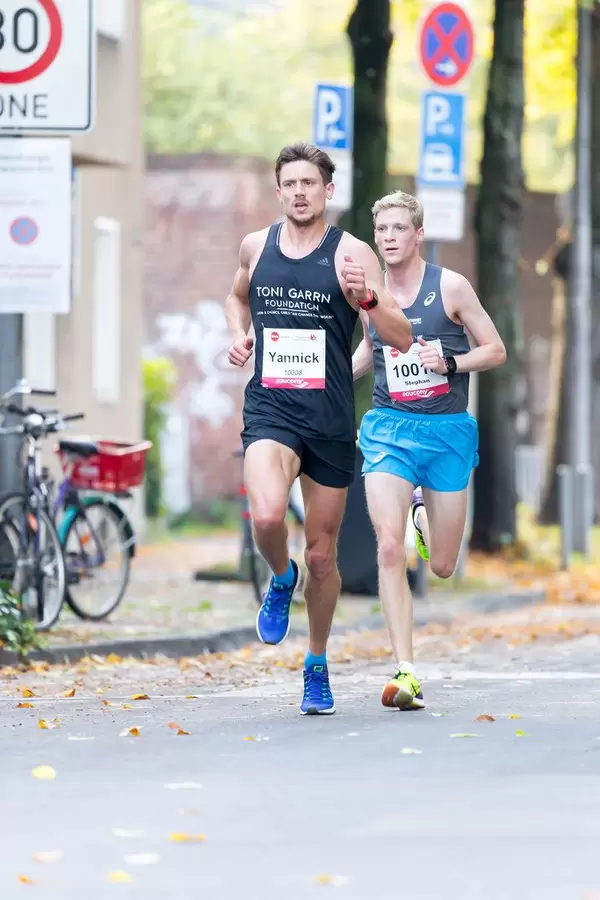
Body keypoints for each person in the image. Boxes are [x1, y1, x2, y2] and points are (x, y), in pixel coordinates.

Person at [226, 142, 413, 716]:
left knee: (323, 556)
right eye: (291, 183)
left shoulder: (352, 252)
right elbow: (236, 297)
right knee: (266, 516)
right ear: (279, 190)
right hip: (271, 408)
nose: (300, 192)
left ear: (328, 191)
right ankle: (281, 577)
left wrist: (368, 297)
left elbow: (400, 336)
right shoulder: (256, 246)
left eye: (310, 183)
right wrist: (238, 334)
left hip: (329, 417)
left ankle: (316, 663)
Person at [353, 190, 506, 711]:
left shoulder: (451, 287)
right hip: (389, 429)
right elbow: (370, 350)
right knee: (388, 547)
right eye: (382, 230)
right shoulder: (369, 293)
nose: (389, 238)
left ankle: (422, 515)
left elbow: (495, 349)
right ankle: (406, 671)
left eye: (399, 228)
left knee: (441, 564)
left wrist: (451, 363)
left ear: (418, 235)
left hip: (446, 433)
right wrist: (325, 381)